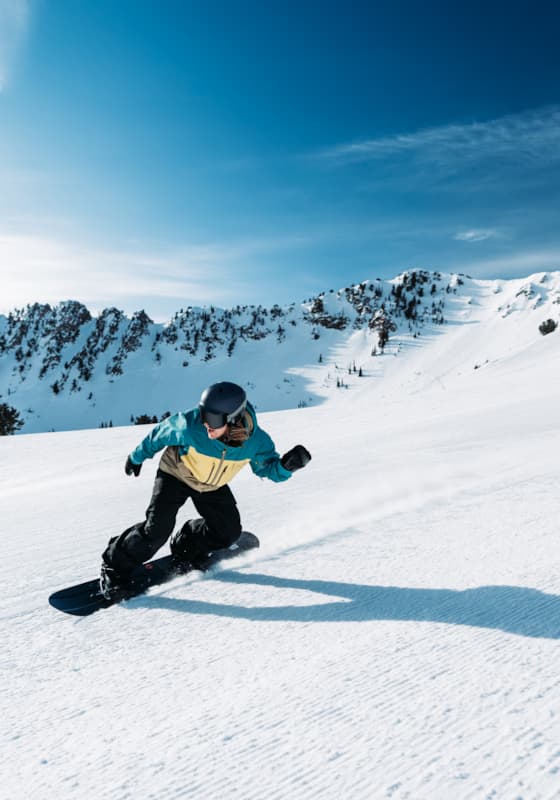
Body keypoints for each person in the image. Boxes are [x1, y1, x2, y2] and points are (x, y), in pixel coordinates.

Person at [100, 381, 311, 598]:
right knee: (157, 530)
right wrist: (137, 457)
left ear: (233, 419)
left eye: (213, 419)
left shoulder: (257, 442)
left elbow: (267, 469)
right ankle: (113, 566)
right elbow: (161, 433)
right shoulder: (190, 426)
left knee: (227, 533)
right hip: (176, 473)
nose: (206, 424)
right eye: (204, 415)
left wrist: (286, 467)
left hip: (211, 485)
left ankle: (187, 542)